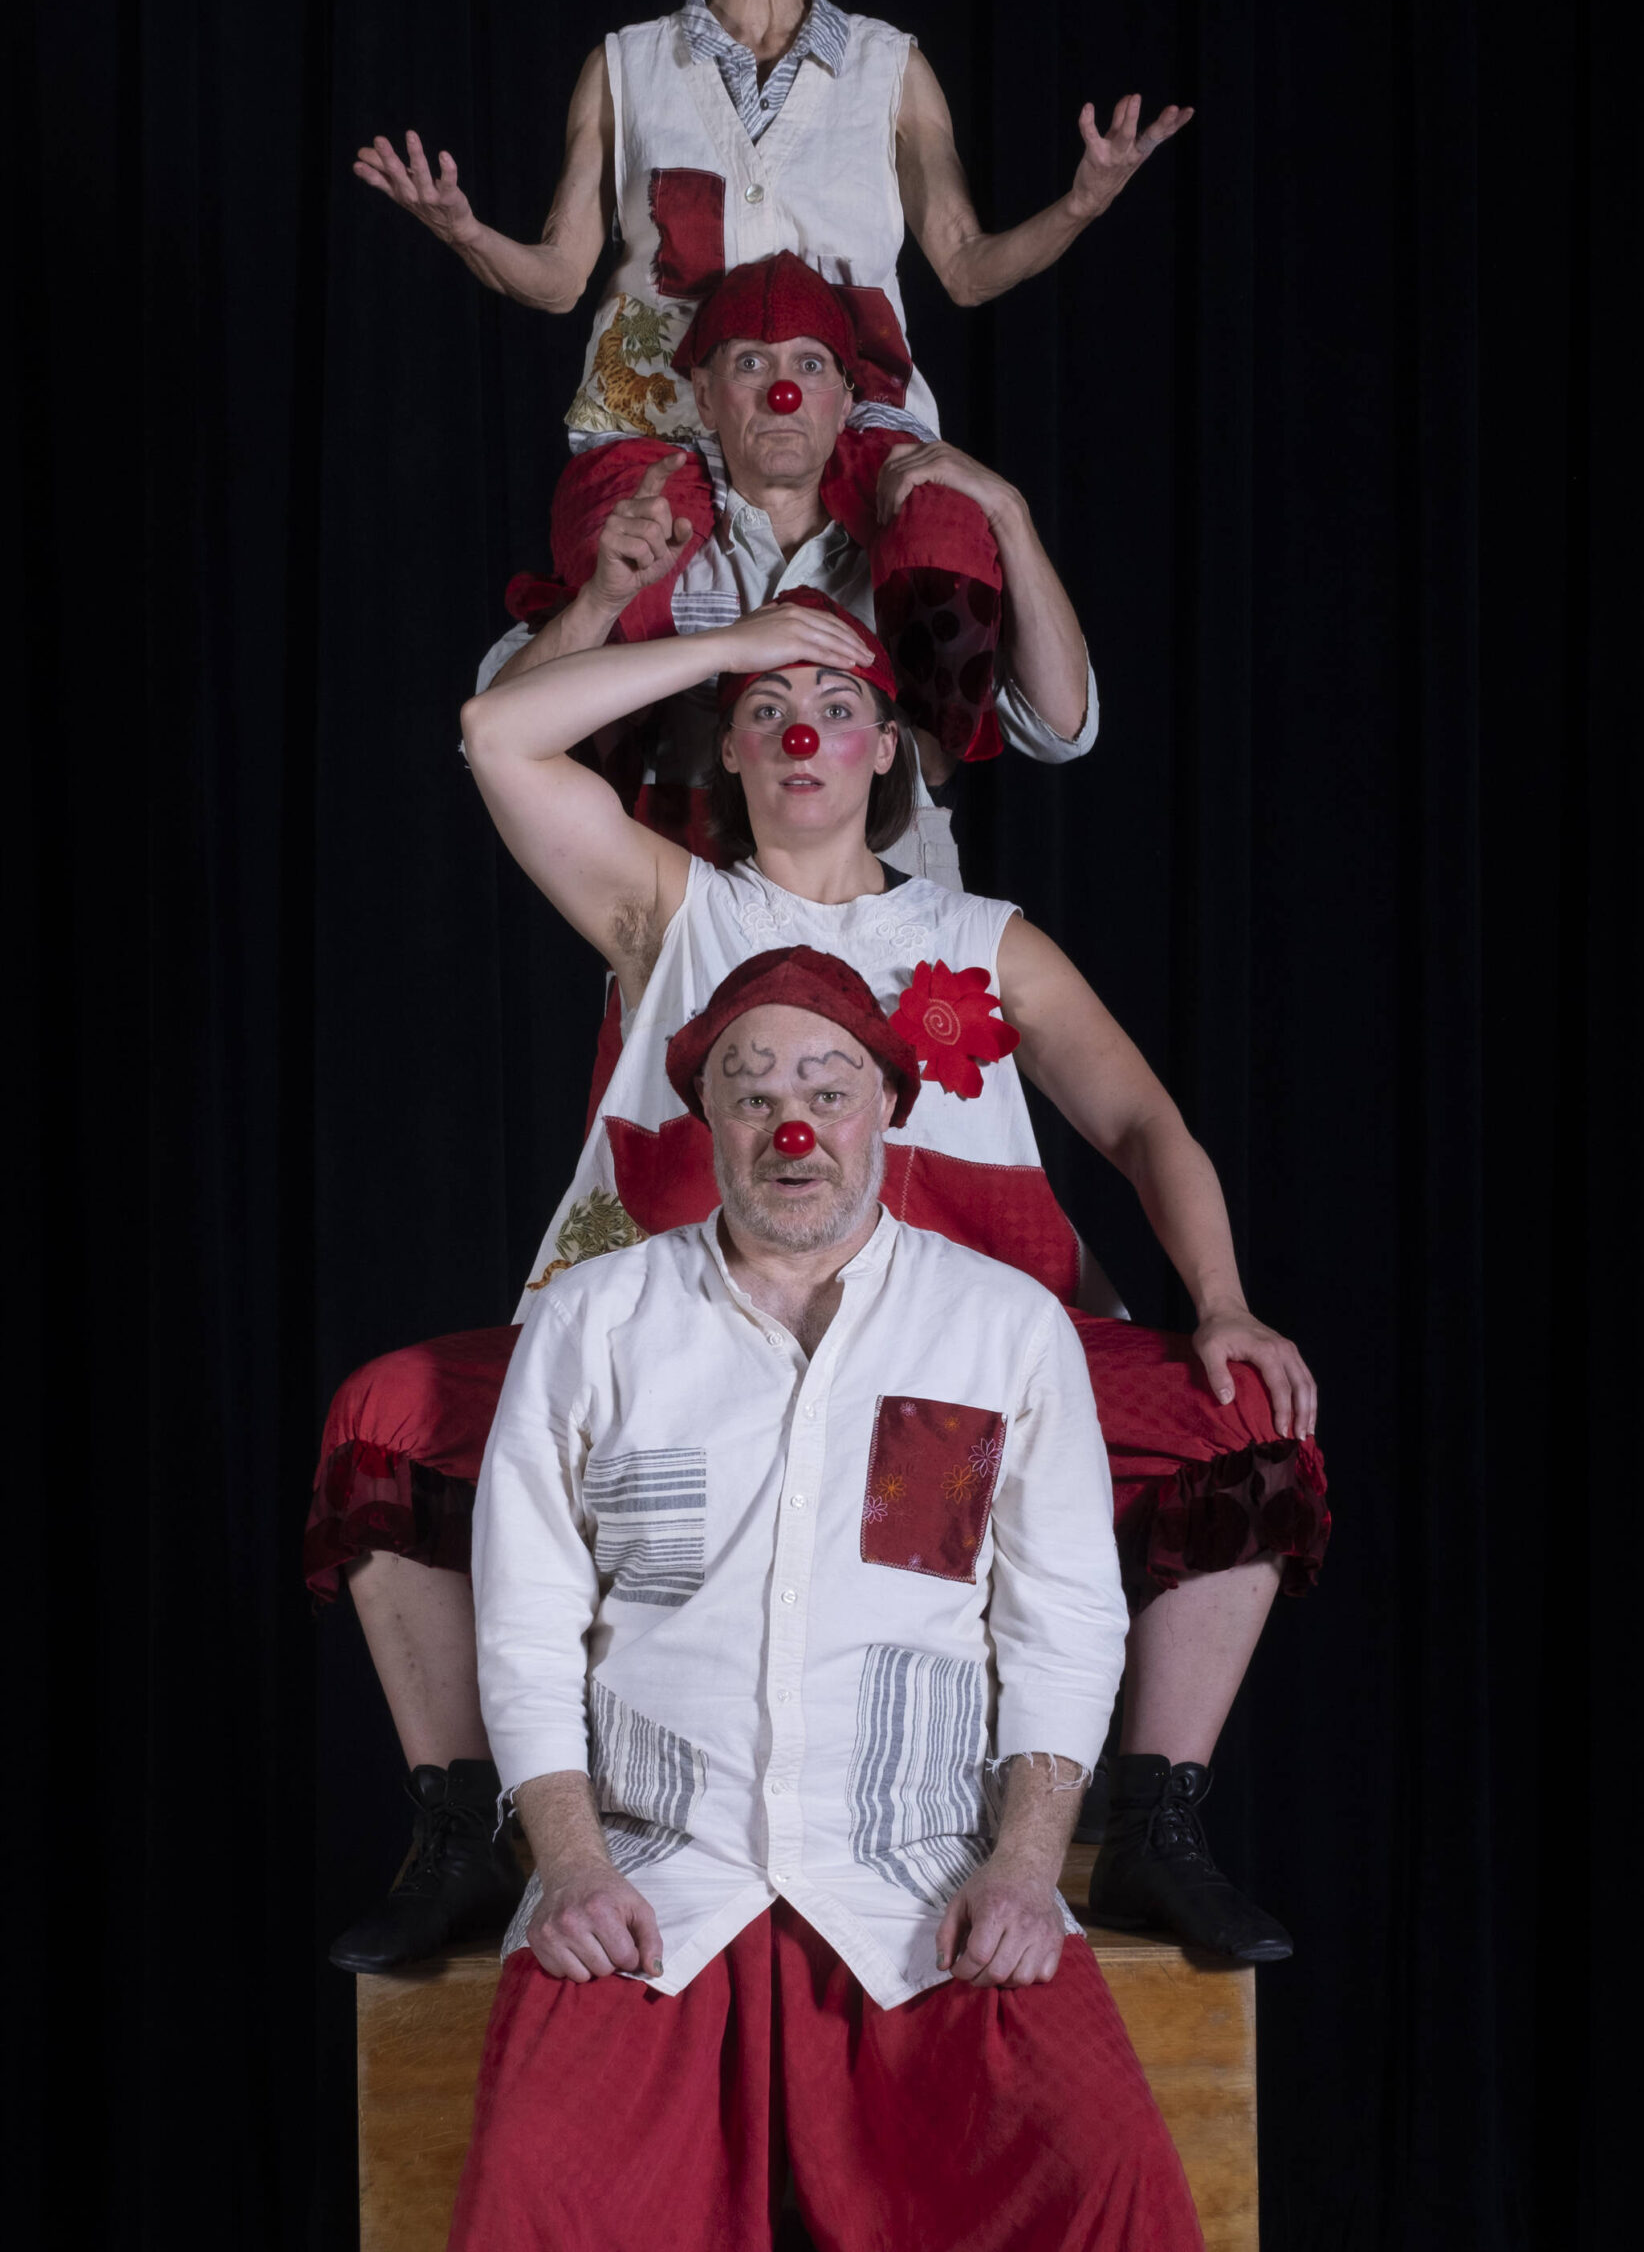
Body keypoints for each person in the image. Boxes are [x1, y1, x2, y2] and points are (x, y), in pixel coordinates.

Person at [309, 592, 1328, 1974]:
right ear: (727, 750)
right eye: (767, 713)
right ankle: (456, 1830)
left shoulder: (985, 938)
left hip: (945, 1360)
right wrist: (739, 642)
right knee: (381, 1411)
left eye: (837, 708)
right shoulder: (672, 904)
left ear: (888, 748)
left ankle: (1157, 1815)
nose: (803, 732)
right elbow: (497, 732)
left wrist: (1218, 1301)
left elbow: (1147, 1127)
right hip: (685, 1345)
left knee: (1250, 1418)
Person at [451, 946, 1204, 2252]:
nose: (791, 1122)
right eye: (750, 1090)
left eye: (828, 1085)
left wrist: (1026, 1870)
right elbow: (524, 1622)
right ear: (709, 1123)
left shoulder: (1002, 1328)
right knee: (533, 2192)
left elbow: (1064, 1623)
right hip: (654, 1889)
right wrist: (570, 1867)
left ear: (888, 1108)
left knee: (1112, 2185)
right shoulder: (595, 1321)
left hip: (923, 1891)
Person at [354, 0, 1191, 760]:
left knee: (941, 540)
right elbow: (561, 274)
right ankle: (649, 815)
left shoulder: (891, 70)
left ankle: (911, 770)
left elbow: (966, 263)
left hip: (854, 419)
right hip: (658, 422)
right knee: (620, 581)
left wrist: (1080, 205)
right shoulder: (624, 68)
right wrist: (465, 231)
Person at [476, 247, 1098, 896]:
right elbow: (495, 728)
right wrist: (603, 601)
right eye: (751, 363)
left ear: (846, 399)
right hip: (690, 906)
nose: (784, 393)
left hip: (895, 914)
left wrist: (1011, 513)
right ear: (706, 399)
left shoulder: (911, 544)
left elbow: (1062, 729)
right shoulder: (650, 535)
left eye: (810, 364)